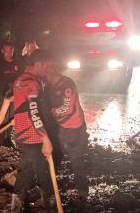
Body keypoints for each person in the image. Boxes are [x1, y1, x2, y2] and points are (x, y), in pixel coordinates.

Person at [9, 50, 55, 212]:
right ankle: (51, 205)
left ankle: (16, 206)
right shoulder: (33, 83)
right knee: (43, 173)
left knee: (26, 172)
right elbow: (33, 112)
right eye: (44, 66)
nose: (46, 70)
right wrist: (45, 139)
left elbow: (19, 104)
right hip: (32, 136)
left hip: (22, 133)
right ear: (37, 65)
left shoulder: (19, 80)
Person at [44, 62, 89, 201]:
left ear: (52, 71)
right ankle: (49, 191)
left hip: (74, 128)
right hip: (59, 129)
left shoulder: (67, 84)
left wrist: (52, 113)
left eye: (46, 75)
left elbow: (67, 108)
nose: (45, 78)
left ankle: (82, 192)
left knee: (77, 160)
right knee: (54, 157)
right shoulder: (48, 86)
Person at [0, 42, 21, 139]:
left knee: (12, 116)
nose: (9, 53)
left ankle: (8, 138)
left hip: (15, 94)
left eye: (11, 51)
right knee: (4, 116)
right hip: (2, 94)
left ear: (13, 50)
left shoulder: (17, 64)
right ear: (3, 51)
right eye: (6, 51)